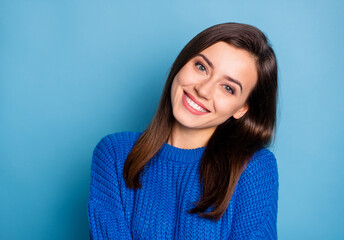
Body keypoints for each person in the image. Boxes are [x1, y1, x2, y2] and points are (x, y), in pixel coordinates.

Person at [87, 22, 279, 239]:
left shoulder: (253, 168)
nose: (203, 90)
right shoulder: (114, 154)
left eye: (228, 88)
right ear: (183, 63)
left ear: (241, 109)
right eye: (201, 67)